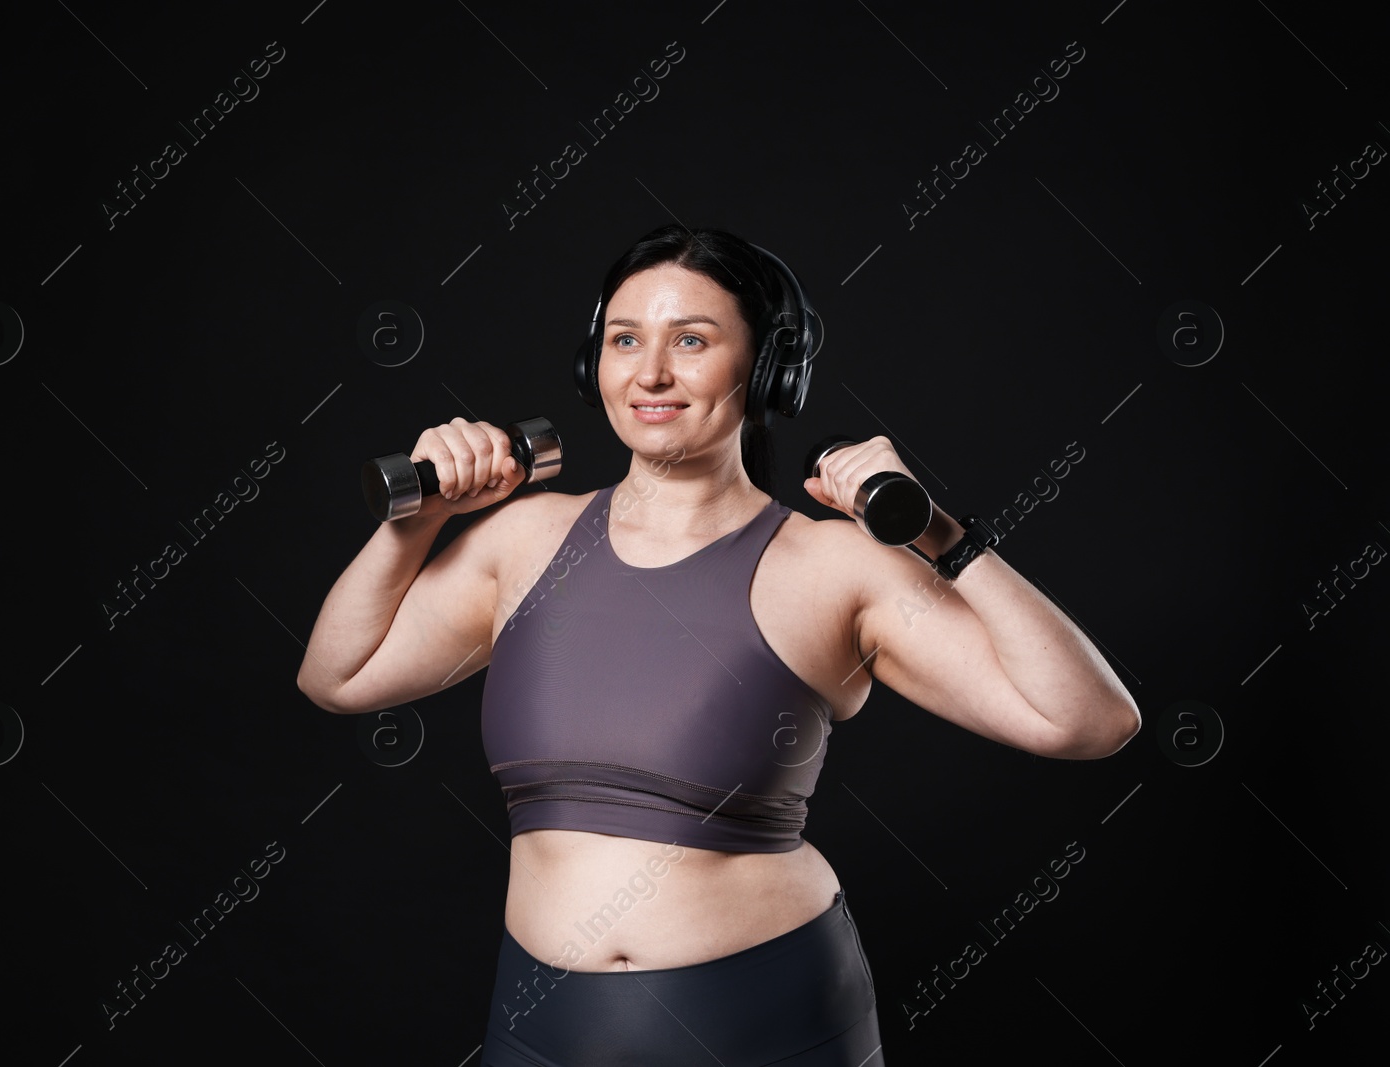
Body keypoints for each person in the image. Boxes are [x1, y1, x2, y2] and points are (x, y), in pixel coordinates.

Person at [296, 224, 1140, 1065]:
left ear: (765, 370)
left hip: (767, 1023)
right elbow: (338, 675)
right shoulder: (524, 541)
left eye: (691, 340)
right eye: (625, 340)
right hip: (541, 1026)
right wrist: (424, 517)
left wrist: (943, 537)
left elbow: (1087, 722)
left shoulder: (830, 565)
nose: (651, 373)